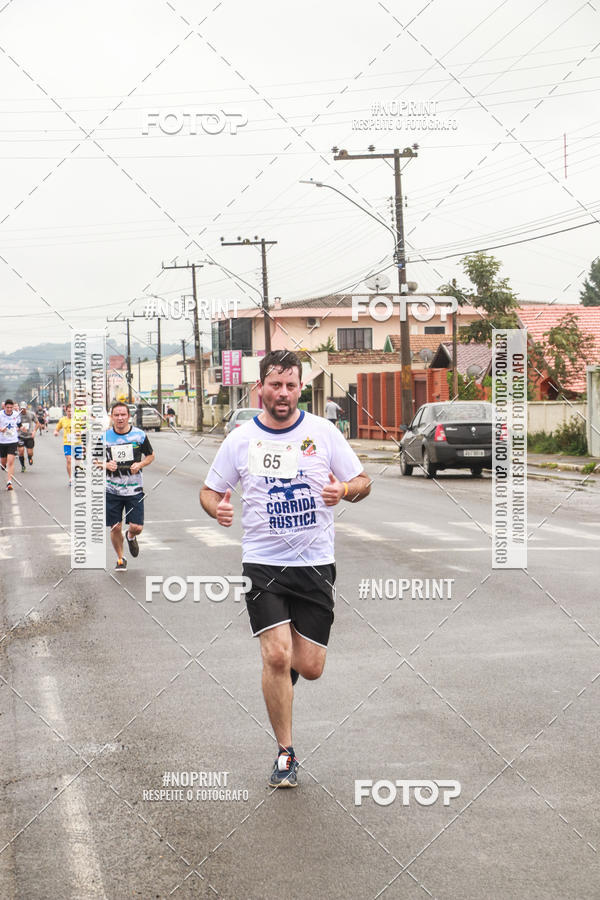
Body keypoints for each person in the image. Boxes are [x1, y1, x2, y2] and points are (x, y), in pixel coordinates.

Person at [200, 350, 370, 788]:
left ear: (300, 388)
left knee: (309, 666)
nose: (283, 393)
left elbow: (363, 482)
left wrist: (345, 489)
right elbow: (209, 490)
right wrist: (216, 508)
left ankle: (281, 681)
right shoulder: (240, 440)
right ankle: (286, 754)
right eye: (275, 385)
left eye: (291, 385)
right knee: (276, 655)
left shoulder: (323, 433)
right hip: (263, 562)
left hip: (314, 563)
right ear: (261, 388)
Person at [102, 400, 155, 571]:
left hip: (134, 489)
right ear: (111, 417)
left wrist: (140, 465)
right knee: (115, 526)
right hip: (112, 489)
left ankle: (131, 536)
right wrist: (105, 465)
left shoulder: (139, 435)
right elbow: (93, 460)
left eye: (123, 415)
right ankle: (120, 558)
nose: (120, 418)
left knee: (137, 527)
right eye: (116, 415)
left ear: (128, 417)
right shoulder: (104, 437)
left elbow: (150, 456)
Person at [54, 403, 83, 486]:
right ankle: (70, 478)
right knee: (69, 459)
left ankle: (76, 471)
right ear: (66, 411)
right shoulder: (62, 420)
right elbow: (57, 429)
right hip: (67, 443)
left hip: (77, 443)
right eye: (69, 411)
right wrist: (56, 432)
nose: (70, 413)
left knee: (78, 462)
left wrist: (80, 433)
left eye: (72, 411)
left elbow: (85, 429)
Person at [0, 399, 20, 490]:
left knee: (10, 461)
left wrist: (21, 428)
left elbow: (19, 424)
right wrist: (1, 429)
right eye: (7, 407)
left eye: (11, 408)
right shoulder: (0, 414)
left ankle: (9, 482)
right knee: (3, 463)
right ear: (4, 407)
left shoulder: (16, 414)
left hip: (13, 441)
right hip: (2, 441)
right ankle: (3, 466)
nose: (9, 409)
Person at [17, 403, 39, 472]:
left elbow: (37, 423)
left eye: (24, 408)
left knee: (30, 452)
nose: (23, 410)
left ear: (26, 408)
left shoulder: (31, 414)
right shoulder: (17, 415)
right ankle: (23, 466)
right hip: (20, 436)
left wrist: (34, 431)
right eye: (21, 408)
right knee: (21, 451)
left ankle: (30, 457)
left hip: (29, 436)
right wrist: (17, 428)